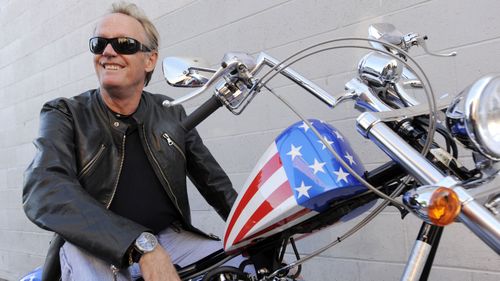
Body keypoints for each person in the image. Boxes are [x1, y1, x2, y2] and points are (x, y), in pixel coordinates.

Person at [22, 2, 239, 281]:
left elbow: (216, 185)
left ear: (150, 59)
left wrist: (262, 232)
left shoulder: (169, 111)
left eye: (124, 44)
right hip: (92, 248)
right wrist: (140, 244)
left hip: (169, 242)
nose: (108, 51)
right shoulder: (65, 113)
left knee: (242, 264)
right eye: (99, 43)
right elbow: (45, 188)